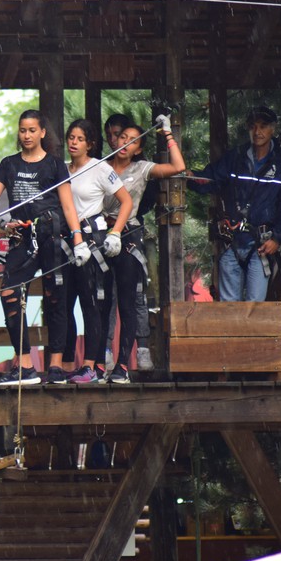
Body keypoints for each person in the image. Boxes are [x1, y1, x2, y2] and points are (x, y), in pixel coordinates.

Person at [0, 109, 89, 385]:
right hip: (22, 237)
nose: (27, 135)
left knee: (57, 298)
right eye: (23, 130)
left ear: (42, 133)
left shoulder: (55, 165)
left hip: (52, 236)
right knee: (9, 292)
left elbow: (68, 204)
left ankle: (57, 365)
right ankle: (25, 365)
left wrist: (78, 239)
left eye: (32, 130)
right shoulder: (9, 164)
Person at [102, 116, 188, 382]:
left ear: (139, 149)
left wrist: (167, 132)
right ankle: (103, 352)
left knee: (132, 296)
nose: (125, 143)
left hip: (128, 233)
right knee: (105, 296)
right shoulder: (99, 167)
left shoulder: (141, 168)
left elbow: (178, 166)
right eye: (122, 137)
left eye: (133, 140)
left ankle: (136, 353)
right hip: (100, 234)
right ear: (114, 140)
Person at [189, 106, 281, 301]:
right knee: (229, 309)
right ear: (247, 128)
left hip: (261, 244)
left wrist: (277, 238)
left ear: (273, 129)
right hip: (232, 241)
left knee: (255, 306)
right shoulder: (235, 157)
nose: (258, 132)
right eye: (253, 126)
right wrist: (189, 177)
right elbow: (210, 179)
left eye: (263, 126)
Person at [62, 119, 133, 383]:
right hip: (68, 240)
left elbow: (126, 201)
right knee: (66, 303)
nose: (74, 142)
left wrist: (115, 233)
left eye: (80, 139)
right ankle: (68, 363)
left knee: (92, 303)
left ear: (90, 144)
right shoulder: (62, 170)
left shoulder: (100, 168)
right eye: (71, 137)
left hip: (92, 238)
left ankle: (91, 365)